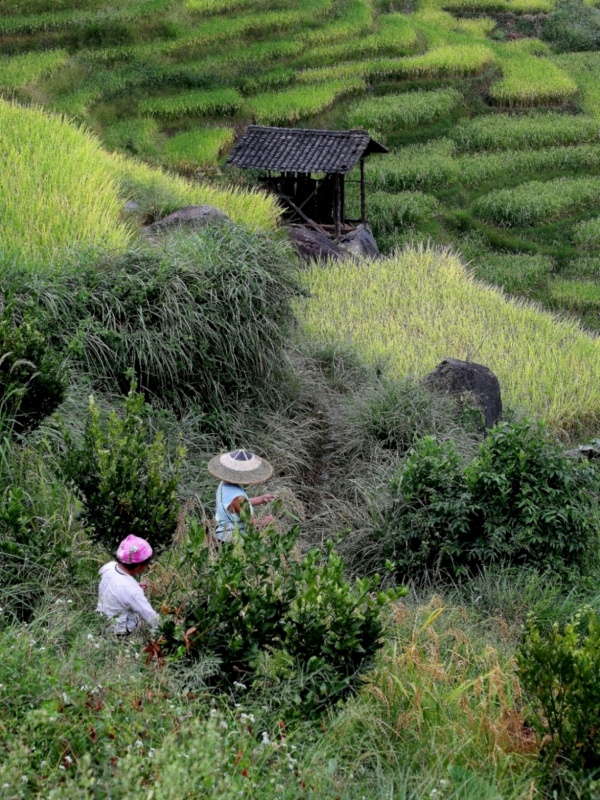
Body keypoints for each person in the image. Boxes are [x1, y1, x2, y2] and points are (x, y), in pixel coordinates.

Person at [208, 449, 276, 543]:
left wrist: (260, 499)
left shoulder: (223, 485)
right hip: (232, 543)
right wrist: (266, 521)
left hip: (220, 537)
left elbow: (234, 506)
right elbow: (251, 524)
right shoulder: (239, 497)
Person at [97, 534, 159, 635]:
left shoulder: (109, 567)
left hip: (100, 622)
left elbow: (114, 586)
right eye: (147, 564)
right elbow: (150, 617)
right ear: (138, 566)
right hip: (119, 633)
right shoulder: (132, 591)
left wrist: (133, 586)